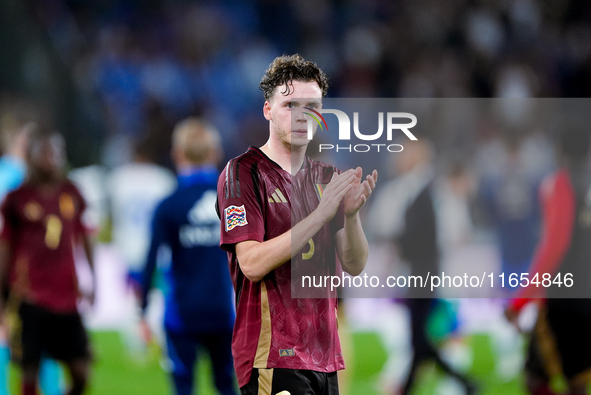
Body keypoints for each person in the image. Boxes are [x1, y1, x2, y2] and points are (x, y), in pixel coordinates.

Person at [216, 54, 378, 394]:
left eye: (311, 105)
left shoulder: (326, 177)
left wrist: (350, 217)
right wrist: (319, 214)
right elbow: (251, 263)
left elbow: (355, 264)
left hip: (324, 356)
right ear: (268, 110)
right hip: (273, 355)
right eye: (290, 104)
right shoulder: (243, 173)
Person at [140, 118, 237, 395]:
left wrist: (142, 310)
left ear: (177, 154)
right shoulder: (233, 203)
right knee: (226, 385)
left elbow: (150, 260)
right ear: (216, 153)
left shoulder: (168, 205)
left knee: (184, 387)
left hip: (182, 314)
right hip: (223, 311)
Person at [0, 130, 95, 395]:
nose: (53, 158)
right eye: (47, 152)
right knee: (29, 369)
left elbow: (85, 237)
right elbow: (5, 248)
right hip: (28, 297)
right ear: (31, 156)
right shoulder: (17, 198)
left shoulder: (72, 192)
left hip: (66, 297)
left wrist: (92, 278)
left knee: (81, 370)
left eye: (58, 152)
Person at [506, 128, 591, 395]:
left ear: (559, 152)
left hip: (562, 300)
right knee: (577, 379)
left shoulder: (560, 184)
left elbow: (555, 245)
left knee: (536, 377)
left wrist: (521, 301)